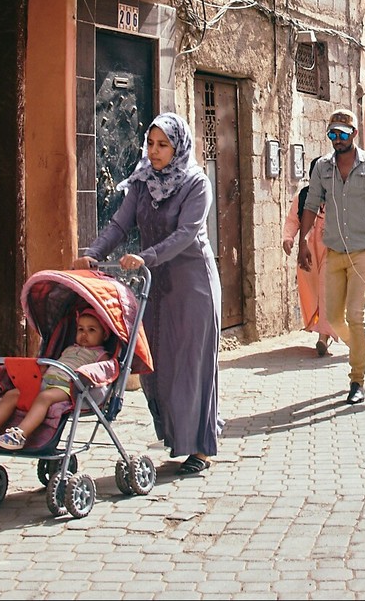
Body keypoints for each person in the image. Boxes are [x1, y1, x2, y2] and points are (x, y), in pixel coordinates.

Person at [77, 113, 222, 476]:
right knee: (157, 366)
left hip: (192, 285)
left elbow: (188, 232)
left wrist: (146, 256)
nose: (155, 152)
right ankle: (177, 438)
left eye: (163, 145)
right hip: (152, 284)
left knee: (189, 365)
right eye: (151, 144)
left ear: (178, 147)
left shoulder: (196, 183)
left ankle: (199, 448)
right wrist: (93, 253)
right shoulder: (143, 181)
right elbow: (119, 224)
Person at [295, 109, 365, 406]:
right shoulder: (322, 169)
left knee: (355, 316)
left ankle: (357, 381)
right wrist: (304, 241)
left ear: (354, 134)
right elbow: (311, 203)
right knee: (331, 317)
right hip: (333, 251)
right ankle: (360, 346)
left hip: (363, 251)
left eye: (343, 133)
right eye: (332, 134)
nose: (337, 139)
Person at [0, 311, 112, 451]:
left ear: (104, 335)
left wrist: (89, 372)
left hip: (69, 387)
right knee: (13, 394)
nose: (84, 334)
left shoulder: (101, 355)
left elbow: (106, 370)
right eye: (81, 329)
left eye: (92, 330)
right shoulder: (69, 349)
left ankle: (19, 434)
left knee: (45, 398)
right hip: (45, 382)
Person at [283, 154, 337, 357]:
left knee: (327, 291)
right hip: (308, 253)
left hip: (332, 250)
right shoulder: (304, 196)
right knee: (313, 292)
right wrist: (288, 238)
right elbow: (292, 220)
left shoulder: (337, 195)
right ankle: (323, 328)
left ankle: (323, 336)